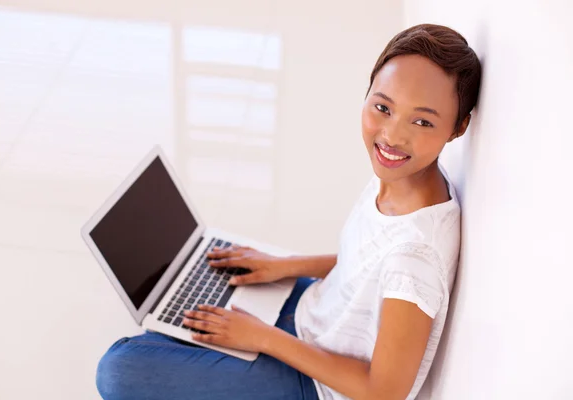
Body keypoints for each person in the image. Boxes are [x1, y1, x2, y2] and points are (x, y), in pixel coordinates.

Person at [96, 23, 482, 400]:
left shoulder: (416, 257)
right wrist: (285, 265)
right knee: (201, 286)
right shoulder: (407, 174)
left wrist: (262, 338)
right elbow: (369, 268)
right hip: (313, 314)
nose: (393, 135)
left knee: (119, 369)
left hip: (320, 383)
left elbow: (383, 392)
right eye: (383, 107)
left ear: (458, 126)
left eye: (422, 121)